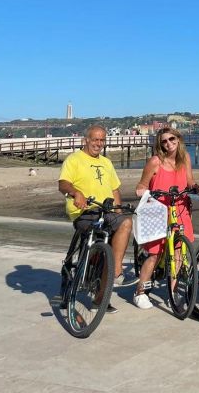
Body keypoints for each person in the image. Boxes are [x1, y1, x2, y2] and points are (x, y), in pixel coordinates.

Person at [58, 125, 133, 313]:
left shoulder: (107, 163)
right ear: (86, 140)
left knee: (126, 222)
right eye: (95, 139)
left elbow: (114, 189)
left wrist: (117, 210)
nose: (98, 144)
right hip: (85, 211)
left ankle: (113, 272)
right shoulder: (74, 159)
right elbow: (63, 183)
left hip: (106, 210)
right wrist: (76, 193)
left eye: (102, 140)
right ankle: (86, 274)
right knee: (96, 234)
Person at [131, 127, 197, 310]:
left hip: (180, 207)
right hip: (158, 211)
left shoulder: (185, 159)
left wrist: (195, 186)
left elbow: (190, 180)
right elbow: (141, 185)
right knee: (154, 254)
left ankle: (173, 291)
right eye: (164, 141)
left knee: (178, 251)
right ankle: (140, 291)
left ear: (178, 139)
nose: (169, 143)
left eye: (172, 139)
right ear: (160, 145)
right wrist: (143, 191)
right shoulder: (155, 162)